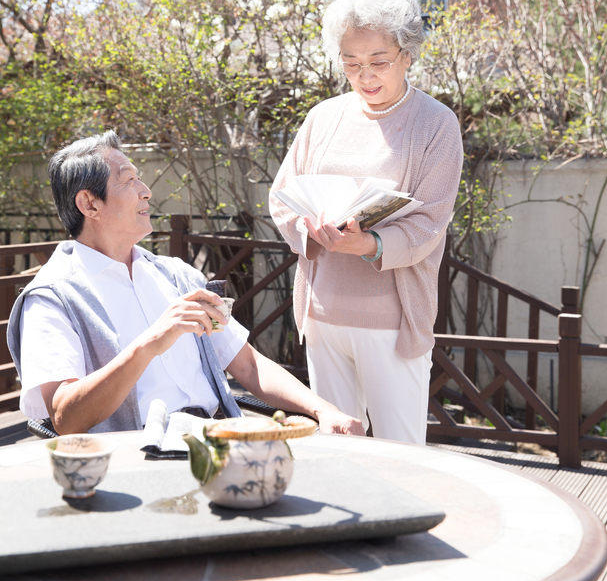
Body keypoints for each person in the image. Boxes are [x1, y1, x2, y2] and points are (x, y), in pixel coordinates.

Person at [7, 131, 364, 437]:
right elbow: (66, 417)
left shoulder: (178, 276)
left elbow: (248, 366)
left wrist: (323, 410)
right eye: (129, 180)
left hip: (218, 442)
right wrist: (149, 343)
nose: (146, 191)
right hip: (135, 462)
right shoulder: (52, 298)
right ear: (89, 204)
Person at [270, 0, 463, 444]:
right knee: (337, 453)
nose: (365, 76)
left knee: (401, 453)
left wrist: (370, 244)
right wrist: (309, 228)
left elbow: (429, 223)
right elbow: (282, 196)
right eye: (351, 63)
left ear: (407, 54)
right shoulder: (323, 117)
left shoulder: (436, 122)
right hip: (322, 315)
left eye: (379, 62)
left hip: (392, 322)